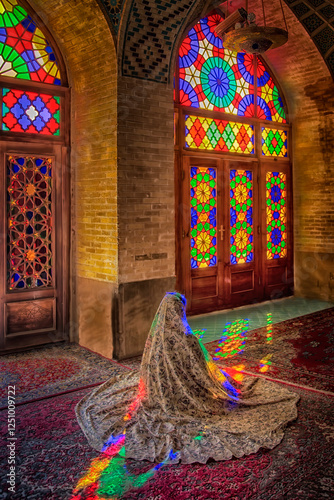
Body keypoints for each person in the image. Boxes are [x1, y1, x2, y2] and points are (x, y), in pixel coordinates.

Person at [75, 292, 299, 464]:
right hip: (185, 399)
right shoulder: (187, 340)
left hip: (157, 395)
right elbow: (202, 371)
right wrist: (223, 385)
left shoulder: (155, 340)